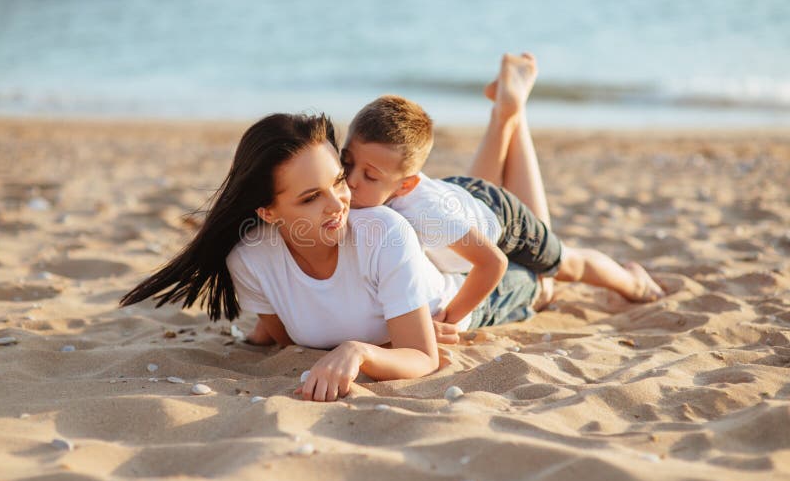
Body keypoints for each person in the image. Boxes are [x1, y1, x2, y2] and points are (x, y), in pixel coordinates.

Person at [120, 113, 468, 403]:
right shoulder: (250, 261)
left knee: (509, 223)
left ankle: (506, 113)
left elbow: (424, 357)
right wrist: (384, 339)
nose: (336, 205)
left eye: (338, 181)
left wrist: (361, 351)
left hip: (464, 286)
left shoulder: (385, 234)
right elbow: (289, 340)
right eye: (310, 198)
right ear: (268, 212)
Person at [339, 52, 665, 331]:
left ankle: (632, 282)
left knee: (567, 264)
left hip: (501, 220)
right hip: (457, 199)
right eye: (346, 161)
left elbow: (493, 264)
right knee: (464, 215)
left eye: (369, 176)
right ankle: (506, 110)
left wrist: (451, 317)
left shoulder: (425, 215)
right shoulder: (387, 183)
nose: (351, 180)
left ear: (404, 184)